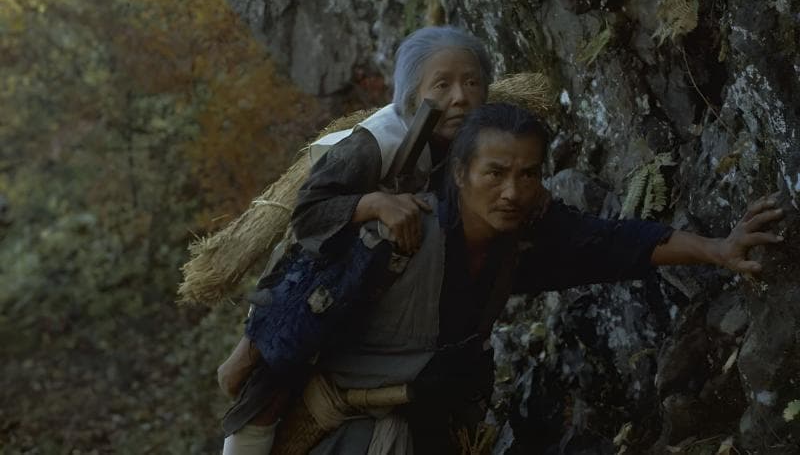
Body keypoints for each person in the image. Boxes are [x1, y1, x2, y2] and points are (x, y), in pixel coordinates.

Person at [224, 103, 786, 454]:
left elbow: (615, 244)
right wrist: (251, 379)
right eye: (495, 173)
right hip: (343, 432)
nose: (513, 191)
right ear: (462, 175)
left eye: (528, 174)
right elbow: (292, 321)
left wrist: (717, 248)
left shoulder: (519, 243)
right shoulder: (396, 237)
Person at [217, 25, 497, 454]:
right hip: (317, 272)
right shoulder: (375, 142)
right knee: (269, 390)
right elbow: (309, 212)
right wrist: (372, 204)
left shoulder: (472, 142)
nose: (460, 96)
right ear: (411, 95)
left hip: (385, 289)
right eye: (442, 85)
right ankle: (246, 359)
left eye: (472, 82)